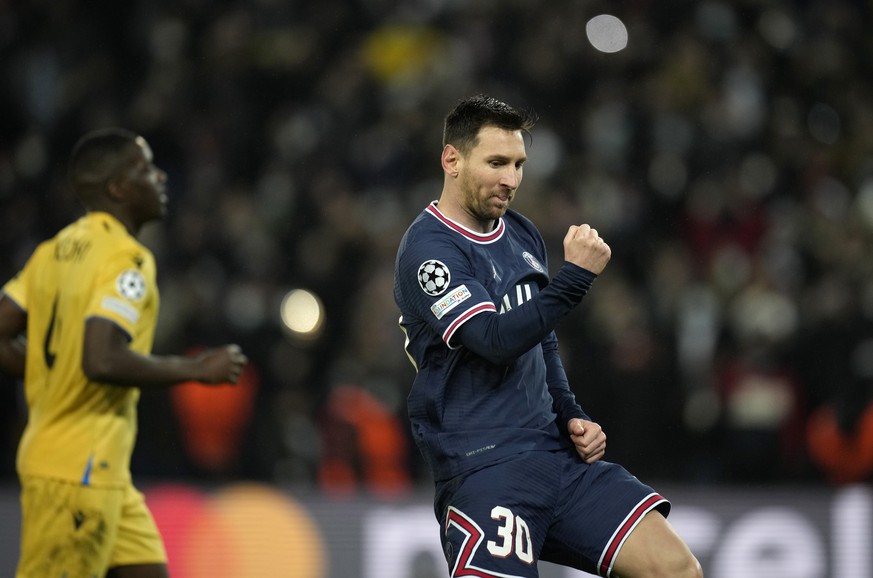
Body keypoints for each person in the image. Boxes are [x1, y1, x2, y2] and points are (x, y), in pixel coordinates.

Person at [393, 95, 702, 578]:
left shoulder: (520, 233)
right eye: (496, 162)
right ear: (451, 159)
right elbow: (493, 339)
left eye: (518, 164)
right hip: (485, 470)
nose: (510, 180)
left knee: (674, 568)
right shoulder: (429, 252)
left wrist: (571, 412)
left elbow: (542, 336)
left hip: (555, 458)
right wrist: (575, 277)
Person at [0, 128, 248, 578]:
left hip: (104, 471)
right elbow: (102, 359)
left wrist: (49, 372)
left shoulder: (52, 252)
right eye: (145, 168)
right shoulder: (125, 258)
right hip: (77, 471)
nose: (160, 177)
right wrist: (195, 368)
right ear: (117, 188)